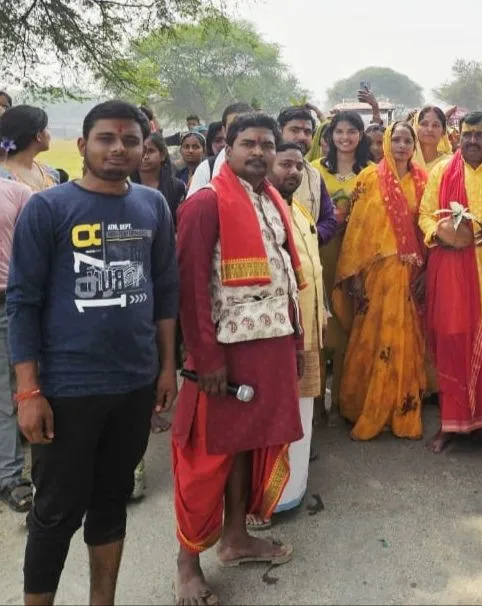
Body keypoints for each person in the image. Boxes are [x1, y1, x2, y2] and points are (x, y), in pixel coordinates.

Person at [7, 100, 178, 605]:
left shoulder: (153, 207)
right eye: (106, 138)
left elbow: (165, 292)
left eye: (130, 140)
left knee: (111, 503)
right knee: (56, 512)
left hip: (133, 385)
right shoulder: (49, 207)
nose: (119, 148)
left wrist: (166, 368)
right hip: (67, 389)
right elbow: (23, 302)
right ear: (83, 145)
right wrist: (28, 389)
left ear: (144, 148)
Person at [172, 113, 305, 606]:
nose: (258, 152)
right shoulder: (205, 204)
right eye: (247, 143)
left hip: (269, 346)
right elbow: (189, 289)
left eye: (266, 144)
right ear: (226, 146)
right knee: (208, 456)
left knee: (250, 447)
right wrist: (205, 357)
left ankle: (235, 539)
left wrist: (293, 344)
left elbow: (287, 277)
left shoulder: (270, 199)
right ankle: (187, 564)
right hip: (222, 356)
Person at [418, 111, 482, 453]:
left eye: (480, 135)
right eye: (468, 134)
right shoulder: (442, 172)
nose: (473, 140)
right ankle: (451, 424)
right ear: (458, 137)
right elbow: (426, 213)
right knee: (452, 345)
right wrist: (439, 234)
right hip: (453, 273)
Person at [331, 122, 429, 441]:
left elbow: (425, 231)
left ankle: (399, 409)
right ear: (385, 142)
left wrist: (425, 273)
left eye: (407, 140)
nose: (401, 145)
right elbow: (356, 230)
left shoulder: (422, 181)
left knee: (404, 339)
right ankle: (364, 406)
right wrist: (355, 276)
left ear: (414, 146)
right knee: (370, 337)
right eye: (396, 139)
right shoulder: (369, 178)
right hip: (373, 275)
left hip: (408, 274)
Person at [254, 141, 325, 526]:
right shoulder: (260, 210)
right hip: (279, 336)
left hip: (308, 328)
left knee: (302, 412)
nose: (294, 172)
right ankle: (268, 499)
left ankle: (293, 490)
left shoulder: (295, 208)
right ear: (268, 165)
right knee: (278, 417)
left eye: (299, 165)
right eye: (285, 164)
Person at [312, 110, 373, 416]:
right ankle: (315, 404)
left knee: (351, 324)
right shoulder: (313, 171)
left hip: (358, 259)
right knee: (321, 325)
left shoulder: (372, 173)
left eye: (352, 132)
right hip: (322, 254)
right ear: (329, 136)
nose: (345, 137)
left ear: (360, 136)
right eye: (339, 132)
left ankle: (344, 401)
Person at [0, 177, 33, 514]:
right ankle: (9, 477)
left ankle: (39, 473)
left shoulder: (17, 192)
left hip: (16, 300)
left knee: (28, 388)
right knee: (2, 396)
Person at [277, 106, 339, 245]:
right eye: (294, 130)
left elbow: (329, 220)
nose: (302, 137)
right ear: (279, 132)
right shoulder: (264, 171)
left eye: (307, 132)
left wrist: (308, 237)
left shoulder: (314, 175)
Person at [187, 102, 255, 195]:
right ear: (224, 131)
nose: (240, 132)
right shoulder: (206, 169)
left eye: (246, 126)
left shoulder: (264, 166)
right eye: (233, 127)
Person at [0, 105, 60, 191]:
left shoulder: (49, 172)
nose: (50, 133)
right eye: (47, 128)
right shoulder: (4, 176)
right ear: (38, 136)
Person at [133, 132, 187, 219]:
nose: (145, 156)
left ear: (162, 155)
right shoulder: (125, 187)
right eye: (141, 151)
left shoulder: (177, 187)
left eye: (150, 151)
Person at [412, 106, 453, 173]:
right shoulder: (404, 162)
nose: (429, 129)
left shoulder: (450, 163)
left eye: (435, 125)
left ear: (443, 131)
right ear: (416, 127)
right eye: (424, 124)